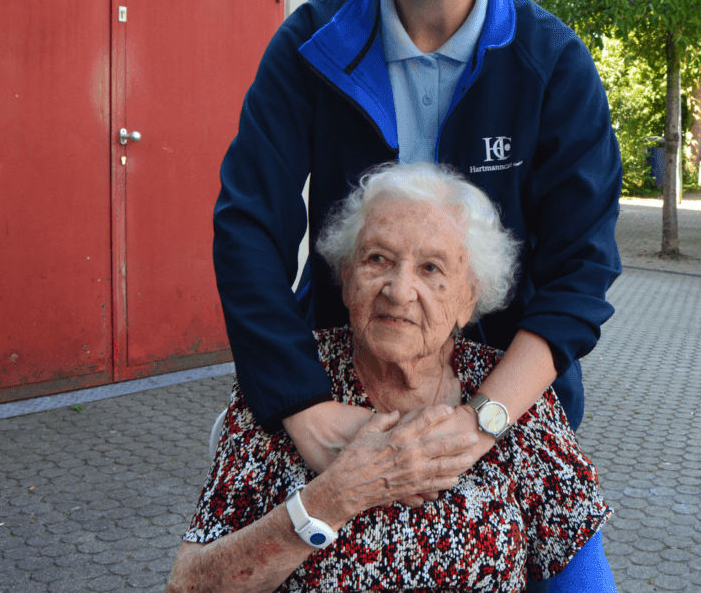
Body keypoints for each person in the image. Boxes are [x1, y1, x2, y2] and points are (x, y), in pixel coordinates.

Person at [213, 0, 621, 489]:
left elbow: (580, 269)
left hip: (506, 405)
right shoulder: (310, 50)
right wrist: (300, 401)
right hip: (344, 397)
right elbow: (249, 225)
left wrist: (483, 418)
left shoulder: (552, 65)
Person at [170, 163, 612, 592]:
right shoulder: (289, 386)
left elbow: (584, 581)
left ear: (468, 299)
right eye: (378, 259)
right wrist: (330, 500)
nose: (399, 291)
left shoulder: (516, 398)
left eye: (431, 268)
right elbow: (188, 584)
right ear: (345, 280)